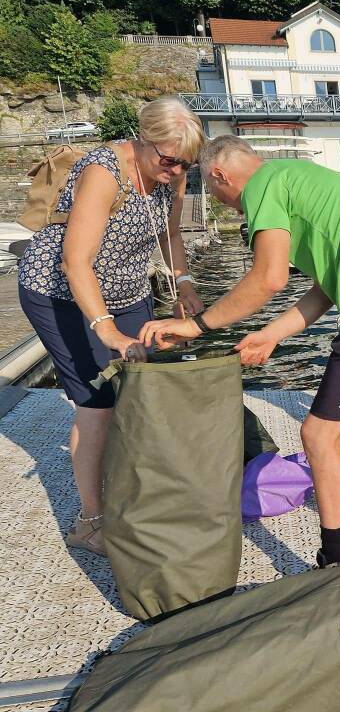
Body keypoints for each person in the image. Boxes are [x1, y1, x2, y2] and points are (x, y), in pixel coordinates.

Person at [138, 137, 340, 569]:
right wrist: (272, 334)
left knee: (317, 435)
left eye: (215, 193)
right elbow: (325, 290)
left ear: (220, 175)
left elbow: (268, 277)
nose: (225, 206)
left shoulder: (262, 186)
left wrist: (194, 326)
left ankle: (335, 561)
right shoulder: (299, 177)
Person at [17, 95, 206, 557]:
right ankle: (90, 521)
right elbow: (75, 261)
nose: (178, 171)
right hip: (60, 291)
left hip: (127, 290)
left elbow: (171, 233)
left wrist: (182, 282)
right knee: (98, 398)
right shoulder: (104, 171)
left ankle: (132, 489)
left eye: (187, 164)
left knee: (140, 385)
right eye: (170, 161)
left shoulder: (169, 174)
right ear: (143, 141)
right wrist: (105, 329)